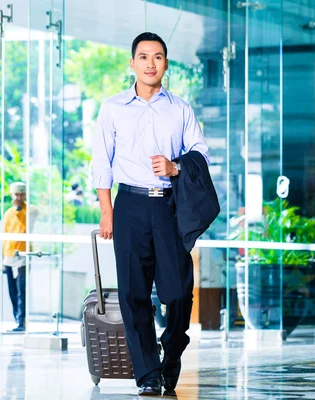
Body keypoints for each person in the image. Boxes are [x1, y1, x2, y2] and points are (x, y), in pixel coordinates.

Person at [91, 32, 213, 396]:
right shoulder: (112, 108)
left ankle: (171, 354)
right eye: (143, 57)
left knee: (177, 293)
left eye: (157, 57)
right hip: (128, 205)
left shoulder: (180, 109)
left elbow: (201, 152)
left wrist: (176, 167)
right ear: (132, 63)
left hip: (169, 206)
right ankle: (147, 373)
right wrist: (107, 212)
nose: (150, 63)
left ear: (166, 64)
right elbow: (101, 163)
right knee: (133, 293)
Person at [2, 182, 38, 332]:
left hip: (23, 256)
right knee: (12, 290)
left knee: (21, 290)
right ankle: (17, 318)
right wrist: (2, 258)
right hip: (9, 255)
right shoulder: (8, 213)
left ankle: (21, 320)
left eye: (21, 194)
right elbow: (4, 235)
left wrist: (20, 207)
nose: (18, 197)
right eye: (16, 194)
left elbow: (31, 218)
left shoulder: (30, 211)